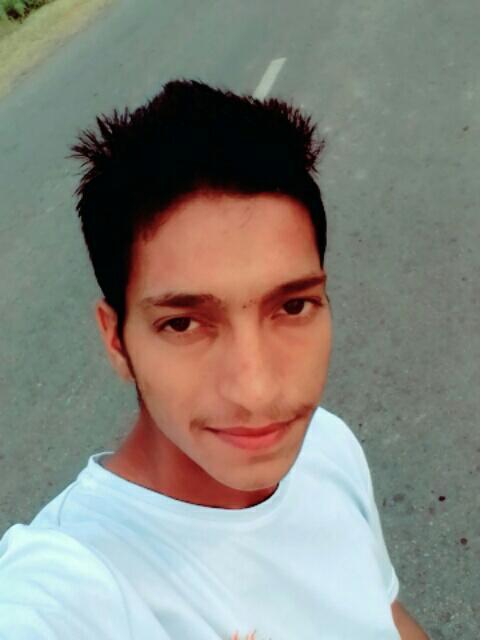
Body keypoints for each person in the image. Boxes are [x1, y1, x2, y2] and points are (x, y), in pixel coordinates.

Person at [0, 79, 429, 639]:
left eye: (293, 306)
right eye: (182, 323)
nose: (257, 393)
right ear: (116, 341)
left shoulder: (326, 445)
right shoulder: (75, 583)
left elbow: (384, 616)